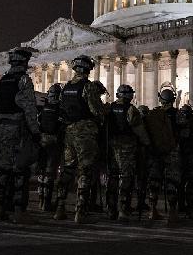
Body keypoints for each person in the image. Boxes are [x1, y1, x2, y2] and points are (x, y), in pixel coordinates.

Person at [53, 55, 106, 224]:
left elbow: (61, 108)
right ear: (88, 69)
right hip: (85, 132)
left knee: (67, 169)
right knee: (85, 170)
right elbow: (96, 111)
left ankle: (60, 207)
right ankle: (80, 211)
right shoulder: (88, 86)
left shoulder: (66, 87)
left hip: (69, 131)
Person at [0, 47, 40, 224]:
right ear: (24, 63)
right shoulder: (24, 80)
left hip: (2, 128)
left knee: (2, 169)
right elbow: (29, 109)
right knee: (20, 171)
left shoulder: (3, 80)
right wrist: (35, 132)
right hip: (18, 130)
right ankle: (18, 212)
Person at [105, 84, 150, 221]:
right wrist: (147, 144)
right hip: (127, 147)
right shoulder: (131, 110)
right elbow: (140, 131)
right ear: (130, 96)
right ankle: (123, 209)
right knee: (126, 178)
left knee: (112, 177)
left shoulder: (110, 108)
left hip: (112, 146)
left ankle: (110, 209)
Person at [144, 87, 182, 225]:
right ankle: (172, 212)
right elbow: (185, 132)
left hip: (155, 152)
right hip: (172, 151)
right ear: (173, 100)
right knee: (172, 181)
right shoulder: (178, 114)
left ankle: (152, 211)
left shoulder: (153, 114)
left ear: (160, 99)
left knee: (154, 181)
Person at [36, 83, 62, 212]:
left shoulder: (44, 107)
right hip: (54, 141)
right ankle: (46, 202)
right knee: (50, 172)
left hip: (42, 139)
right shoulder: (60, 107)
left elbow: (39, 122)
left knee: (41, 171)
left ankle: (40, 200)